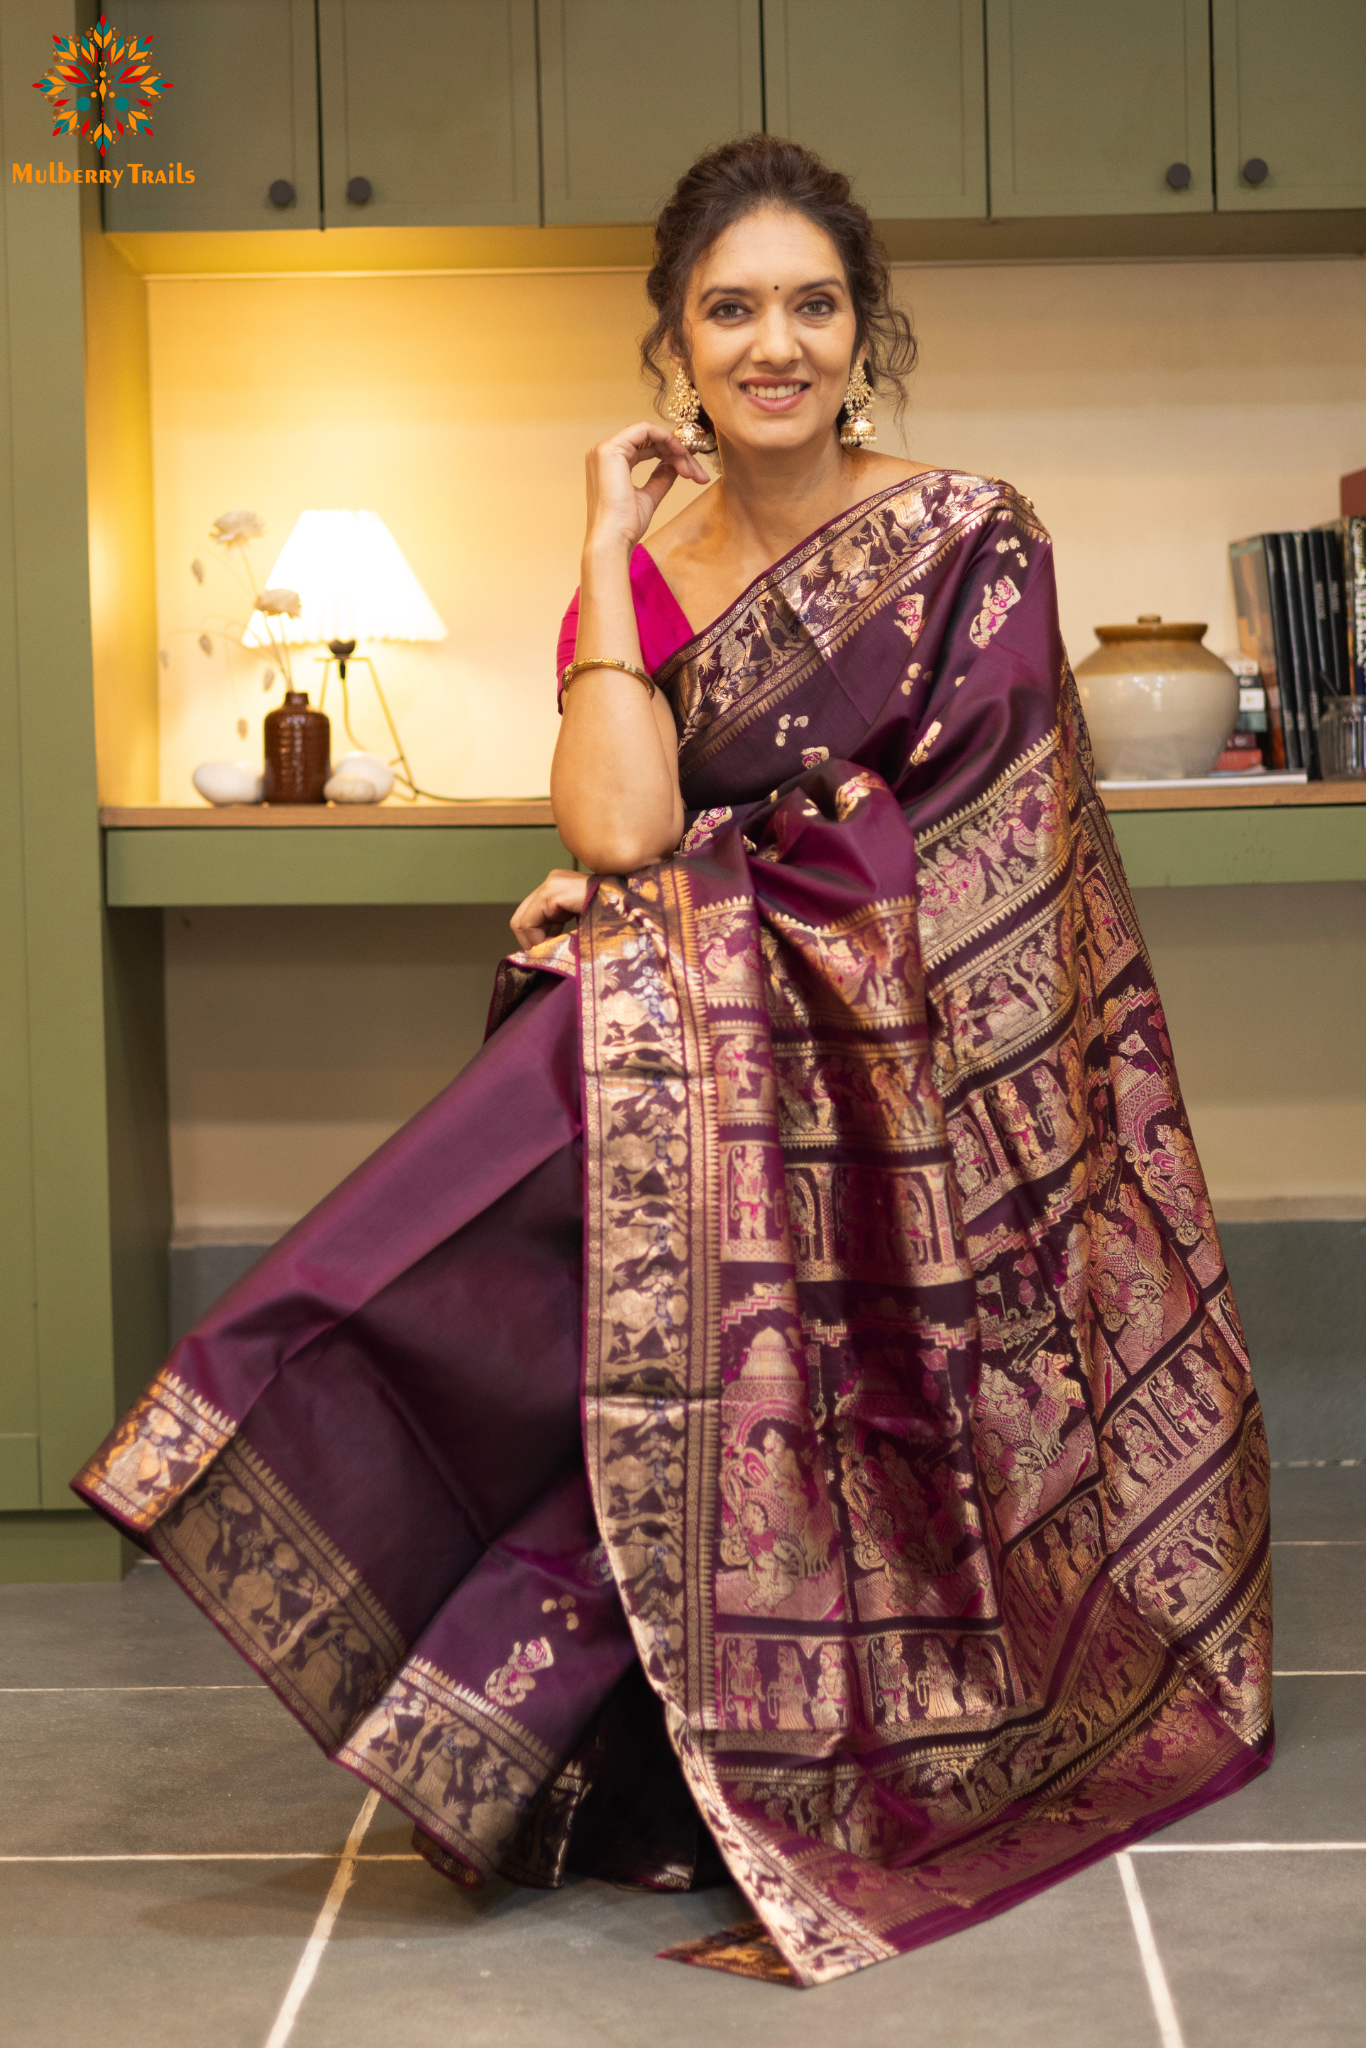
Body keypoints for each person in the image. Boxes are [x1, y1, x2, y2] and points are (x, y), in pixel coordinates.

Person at [74, 135, 1272, 1987]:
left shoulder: (968, 532)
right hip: (704, 1024)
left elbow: (974, 834)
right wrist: (599, 559)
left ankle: (541, 1661)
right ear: (675, 343)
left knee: (577, 1093)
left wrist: (681, 909)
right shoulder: (637, 567)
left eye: (809, 304)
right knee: (512, 1168)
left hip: (899, 1046)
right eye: (730, 309)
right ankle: (324, 1493)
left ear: (861, 330)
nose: (771, 343)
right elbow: (625, 827)